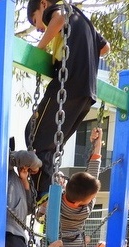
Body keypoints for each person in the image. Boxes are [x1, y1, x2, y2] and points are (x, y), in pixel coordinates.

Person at [25, 0, 110, 201]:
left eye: (35, 19)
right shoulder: (82, 20)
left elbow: (59, 19)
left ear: (43, 4)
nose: (38, 27)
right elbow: (105, 47)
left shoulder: (61, 10)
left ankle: (44, 191)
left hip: (68, 84)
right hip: (87, 92)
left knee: (34, 132)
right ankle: (49, 187)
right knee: (55, 141)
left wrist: (40, 47)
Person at [54, 127, 102, 247]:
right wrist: (97, 144)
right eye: (91, 198)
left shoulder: (57, 202)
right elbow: (94, 171)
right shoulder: (85, 210)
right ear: (78, 203)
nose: (93, 199)